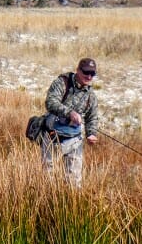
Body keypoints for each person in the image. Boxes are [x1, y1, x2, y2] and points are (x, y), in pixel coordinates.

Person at [40, 57, 99, 187]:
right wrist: (70, 113)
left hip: (74, 140)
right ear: (78, 70)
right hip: (52, 135)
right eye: (86, 72)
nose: (89, 76)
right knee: (47, 178)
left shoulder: (91, 96)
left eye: (92, 74)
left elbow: (92, 117)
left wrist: (91, 134)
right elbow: (50, 102)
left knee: (74, 183)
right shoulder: (62, 82)